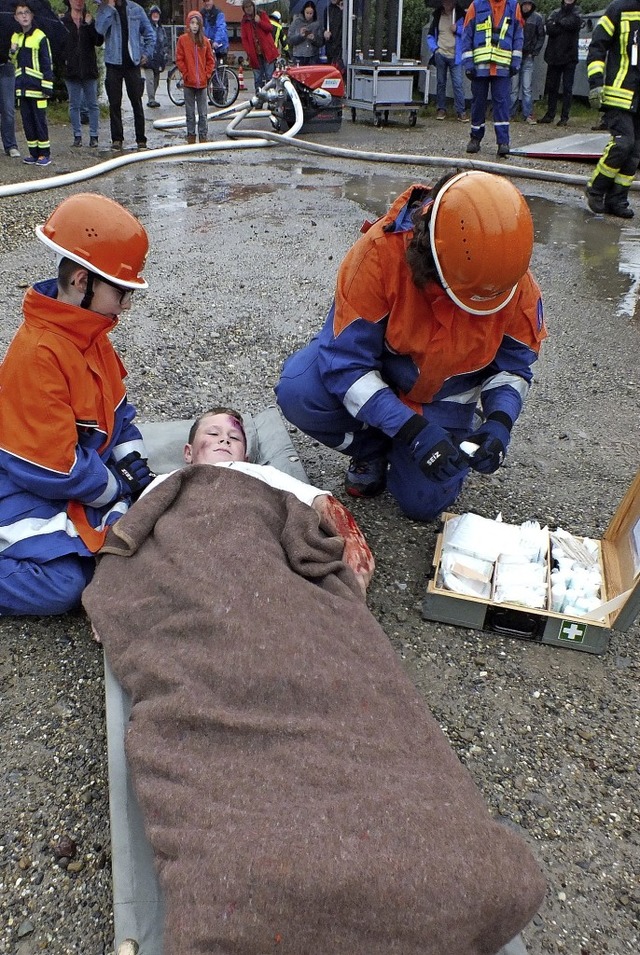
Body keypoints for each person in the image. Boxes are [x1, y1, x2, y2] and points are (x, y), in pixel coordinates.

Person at [275, 171, 547, 523]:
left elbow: (513, 368)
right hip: (384, 384)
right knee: (300, 392)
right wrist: (411, 431)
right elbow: (346, 365)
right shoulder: (377, 258)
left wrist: (499, 421)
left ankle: (408, 447)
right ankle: (371, 450)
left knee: (423, 505)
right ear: (432, 256)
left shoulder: (508, 281)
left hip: (442, 404)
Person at [0, 193, 155, 616]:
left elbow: (119, 413)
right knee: (64, 587)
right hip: (23, 479)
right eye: (122, 291)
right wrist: (115, 486)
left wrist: (134, 464)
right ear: (83, 282)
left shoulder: (90, 334)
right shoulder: (38, 354)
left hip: (69, 475)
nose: (126, 304)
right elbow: (49, 466)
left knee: (120, 543)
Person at [144, 407, 375, 596]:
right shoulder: (168, 480)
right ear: (188, 452)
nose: (224, 439)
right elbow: (139, 522)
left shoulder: (260, 473)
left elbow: (321, 501)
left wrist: (355, 543)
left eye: (234, 438)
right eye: (213, 434)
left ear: (246, 458)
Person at [585, 1, 640, 218]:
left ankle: (617, 199)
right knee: (623, 143)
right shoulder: (619, 8)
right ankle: (595, 189)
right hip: (619, 92)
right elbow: (597, 46)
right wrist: (596, 82)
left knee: (635, 153)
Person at [461, 0, 523, 156]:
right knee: (478, 103)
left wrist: (516, 61)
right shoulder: (476, 6)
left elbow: (518, 35)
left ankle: (503, 142)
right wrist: (468, 64)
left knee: (502, 104)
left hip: (502, 67)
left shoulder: (513, 6)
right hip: (480, 67)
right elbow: (467, 34)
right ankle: (475, 138)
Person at [95, 0, 155, 151]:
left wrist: (146, 53)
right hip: (113, 63)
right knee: (114, 104)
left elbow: (150, 33)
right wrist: (109, 8)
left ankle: (141, 139)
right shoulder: (104, 8)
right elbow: (99, 30)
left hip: (132, 64)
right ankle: (117, 139)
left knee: (137, 102)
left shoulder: (136, 9)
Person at [10, 0, 53, 166]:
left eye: (26, 12)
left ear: (32, 15)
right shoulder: (16, 37)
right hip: (22, 88)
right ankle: (33, 153)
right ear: (16, 18)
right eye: (20, 13)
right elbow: (12, 61)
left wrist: (47, 86)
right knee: (27, 122)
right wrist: (13, 50)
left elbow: (46, 62)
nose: (24, 16)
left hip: (38, 87)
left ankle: (44, 154)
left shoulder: (40, 36)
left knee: (39, 121)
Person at [61, 0, 103, 147]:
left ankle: (94, 136)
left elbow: (98, 41)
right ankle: (77, 135)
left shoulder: (90, 20)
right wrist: (64, 62)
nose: (78, 2)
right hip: (71, 69)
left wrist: (90, 25)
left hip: (89, 69)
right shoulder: (64, 21)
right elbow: (59, 45)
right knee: (74, 104)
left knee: (92, 104)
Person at [538, 0, 581, 126]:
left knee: (567, 88)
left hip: (570, 57)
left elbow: (574, 23)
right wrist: (560, 24)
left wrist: (558, 23)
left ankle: (564, 117)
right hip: (554, 56)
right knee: (552, 87)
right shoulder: (555, 12)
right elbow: (549, 28)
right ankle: (550, 114)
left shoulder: (577, 12)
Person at [175, 9, 214, 145]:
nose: (195, 26)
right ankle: (191, 135)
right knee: (190, 113)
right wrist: (185, 73)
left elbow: (210, 60)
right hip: (189, 83)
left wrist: (207, 74)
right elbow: (179, 59)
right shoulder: (183, 40)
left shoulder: (205, 41)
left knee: (203, 113)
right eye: (192, 23)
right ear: (188, 24)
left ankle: (203, 135)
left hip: (202, 83)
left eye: (197, 23)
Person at [427, 0, 468, 122]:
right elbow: (430, 35)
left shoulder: (461, 15)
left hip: (456, 56)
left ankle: (461, 111)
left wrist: (458, 29)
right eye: (445, 1)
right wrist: (435, 49)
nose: (447, 3)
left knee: (458, 84)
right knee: (440, 82)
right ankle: (441, 109)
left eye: (450, 2)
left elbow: (468, 32)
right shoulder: (437, 15)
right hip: (441, 54)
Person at [510, 0, 545, 124]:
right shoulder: (515, 16)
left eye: (529, 4)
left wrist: (534, 52)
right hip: (515, 56)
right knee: (513, 88)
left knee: (526, 88)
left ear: (532, 6)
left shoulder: (537, 18)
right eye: (524, 4)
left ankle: (528, 114)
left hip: (528, 57)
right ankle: (510, 114)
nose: (526, 7)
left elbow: (541, 36)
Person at [240, 0, 278, 91]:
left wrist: (260, 22)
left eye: (250, 6)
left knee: (270, 77)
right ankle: (259, 99)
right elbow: (244, 38)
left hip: (267, 51)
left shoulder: (262, 14)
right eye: (246, 7)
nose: (249, 9)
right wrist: (249, 52)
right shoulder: (244, 21)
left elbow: (269, 28)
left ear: (253, 6)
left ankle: (271, 100)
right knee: (258, 78)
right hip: (255, 54)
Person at [0, 10, 21, 158]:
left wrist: (15, 46)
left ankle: (10, 145)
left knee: (8, 109)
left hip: (6, 67)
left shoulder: (8, 10)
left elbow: (20, 32)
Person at [144, 4, 167, 108]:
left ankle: (152, 97)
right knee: (150, 79)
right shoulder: (146, 27)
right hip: (149, 57)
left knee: (156, 80)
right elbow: (143, 41)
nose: (155, 15)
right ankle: (151, 99)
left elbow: (165, 43)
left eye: (157, 14)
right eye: (154, 13)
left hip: (158, 58)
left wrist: (165, 56)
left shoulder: (161, 29)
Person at [289, 0, 323, 66]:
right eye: (307, 13)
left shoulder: (317, 24)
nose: (309, 15)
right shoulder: (296, 22)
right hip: (298, 56)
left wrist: (314, 38)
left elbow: (320, 42)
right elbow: (290, 40)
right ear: (303, 11)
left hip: (312, 56)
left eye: (311, 13)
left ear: (314, 13)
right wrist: (300, 36)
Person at [322, 0, 343, 73]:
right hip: (330, 48)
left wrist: (342, 11)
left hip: (342, 47)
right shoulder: (327, 10)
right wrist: (324, 33)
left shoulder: (345, 8)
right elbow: (324, 27)